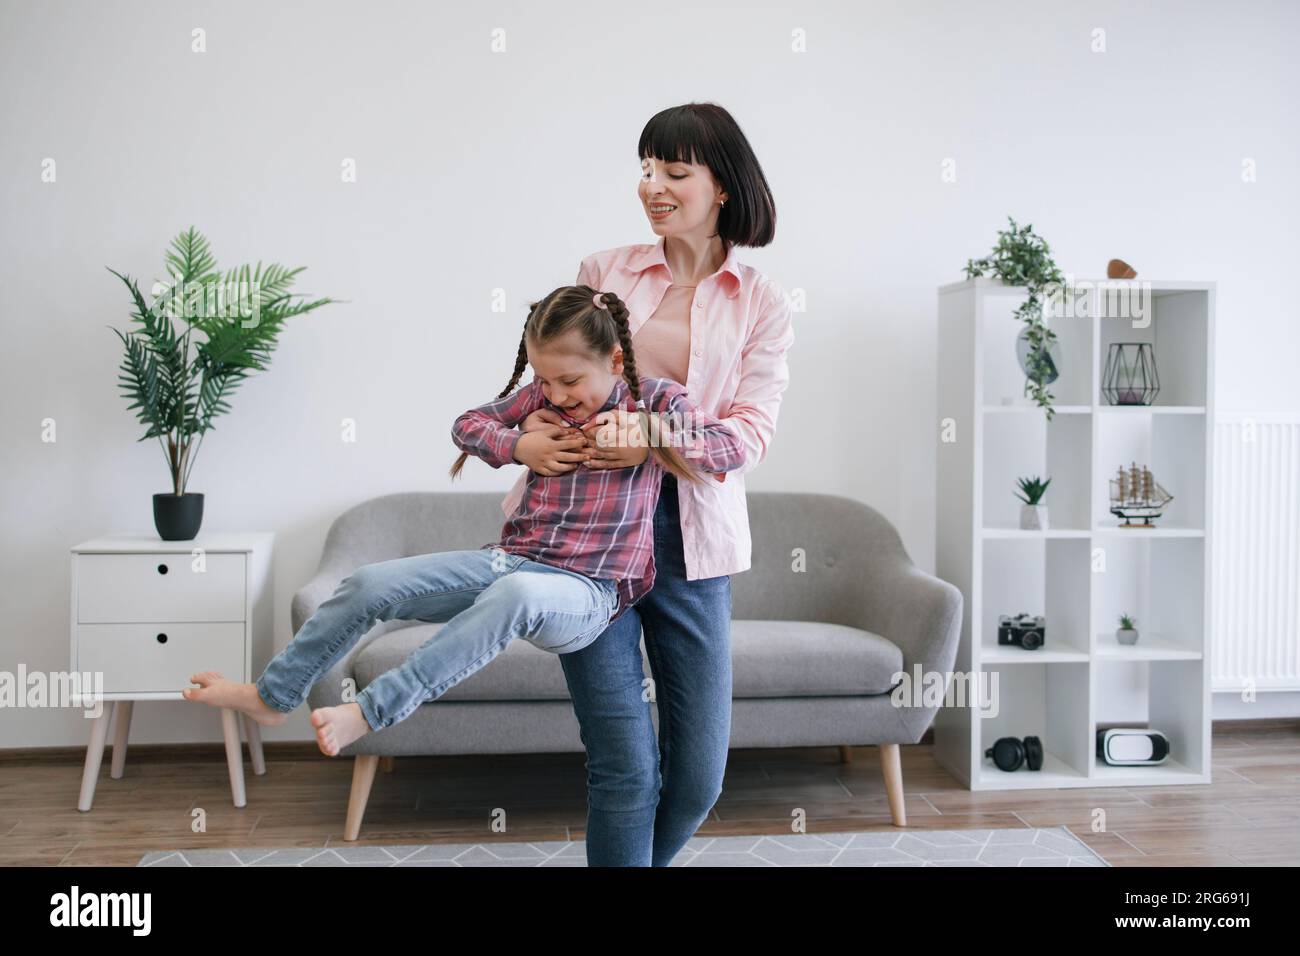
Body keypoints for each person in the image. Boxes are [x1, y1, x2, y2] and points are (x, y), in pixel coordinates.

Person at [182, 285, 746, 758]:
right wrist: (519, 444)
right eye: (545, 381)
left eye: (570, 382)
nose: (556, 395)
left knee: (520, 594)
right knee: (369, 584)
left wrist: (651, 436)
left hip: (589, 591)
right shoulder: (536, 402)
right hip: (512, 561)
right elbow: (467, 425)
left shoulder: (656, 402)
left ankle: (372, 711)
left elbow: (731, 447)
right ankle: (273, 696)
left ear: (615, 362)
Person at [506, 102, 795, 866]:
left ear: (722, 185)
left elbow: (748, 437)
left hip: (690, 542)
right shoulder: (605, 271)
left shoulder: (761, 301)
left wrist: (655, 437)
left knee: (697, 777)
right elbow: (551, 384)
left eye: (674, 171)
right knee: (625, 771)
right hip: (587, 539)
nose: (653, 187)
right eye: (646, 170)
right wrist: (522, 440)